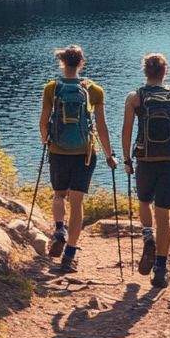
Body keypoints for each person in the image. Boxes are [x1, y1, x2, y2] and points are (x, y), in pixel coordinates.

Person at [121, 52, 170, 288]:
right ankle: (160, 268)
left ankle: (148, 236)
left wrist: (127, 159)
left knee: (145, 201)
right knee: (164, 213)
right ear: (165, 71)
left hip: (145, 158)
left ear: (145, 71)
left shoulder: (135, 97)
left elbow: (126, 131)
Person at [39, 45, 118, 273]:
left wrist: (47, 142)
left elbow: (43, 122)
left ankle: (59, 230)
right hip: (85, 154)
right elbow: (101, 127)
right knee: (77, 202)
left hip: (58, 150)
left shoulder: (52, 88)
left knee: (59, 195)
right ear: (81, 63)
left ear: (62, 63)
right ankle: (70, 253)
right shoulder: (94, 90)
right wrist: (108, 155)